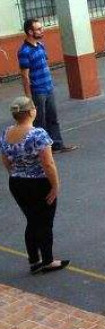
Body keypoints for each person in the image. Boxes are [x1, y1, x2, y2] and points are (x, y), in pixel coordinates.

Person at [1, 96, 69, 274]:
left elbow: (5, 159)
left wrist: (16, 173)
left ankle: (34, 260)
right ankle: (48, 260)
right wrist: (55, 185)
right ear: (31, 111)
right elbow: (48, 163)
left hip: (17, 182)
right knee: (45, 222)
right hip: (39, 183)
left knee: (31, 220)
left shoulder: (6, 132)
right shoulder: (38, 134)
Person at [17, 19, 77, 153]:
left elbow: (45, 64)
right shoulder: (24, 51)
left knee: (53, 118)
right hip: (37, 91)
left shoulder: (40, 45)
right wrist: (28, 97)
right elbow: (25, 75)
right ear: (30, 32)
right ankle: (43, 150)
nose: (42, 31)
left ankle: (57, 145)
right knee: (40, 121)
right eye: (38, 29)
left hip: (48, 88)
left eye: (41, 28)